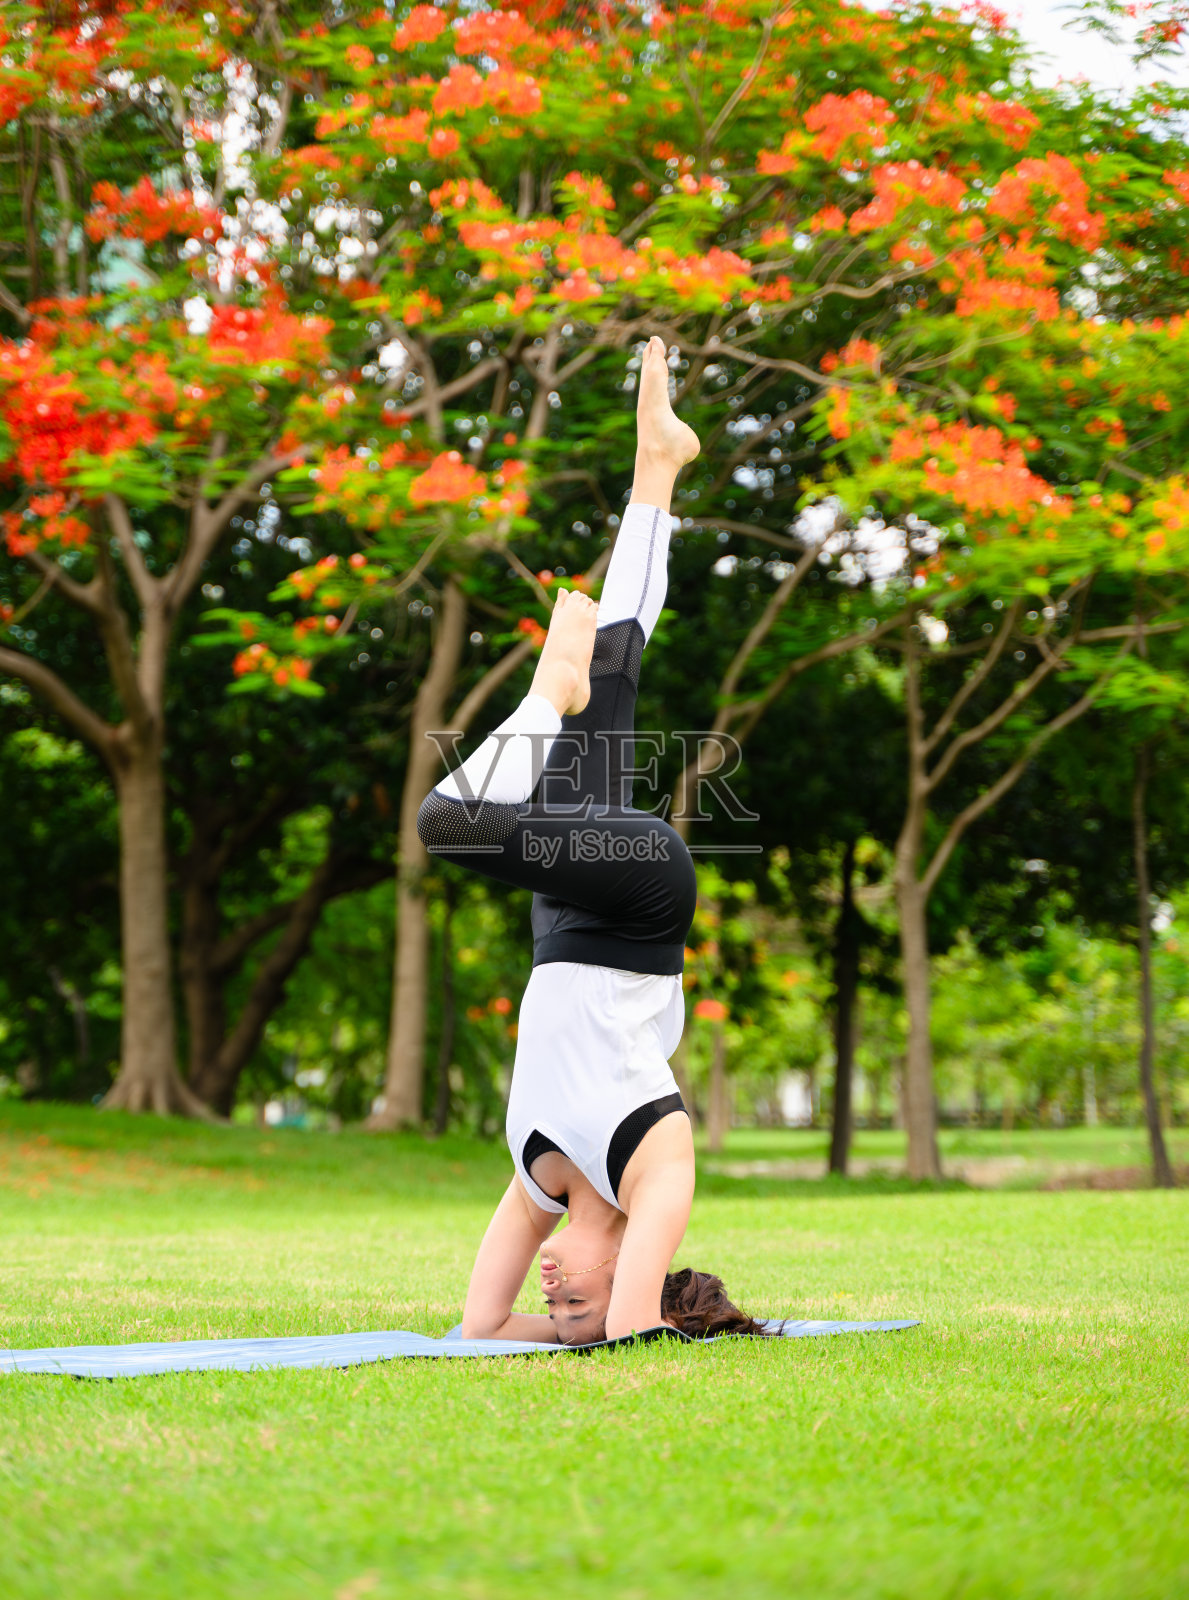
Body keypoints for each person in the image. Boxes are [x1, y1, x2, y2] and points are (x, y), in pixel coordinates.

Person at [418, 336, 769, 1346]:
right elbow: (625, 1338)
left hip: (564, 923)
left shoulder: (535, 1179)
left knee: (609, 685)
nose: (550, 1287)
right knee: (450, 821)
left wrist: (547, 1329)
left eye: (553, 1297)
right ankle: (544, 690)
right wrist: (599, 1327)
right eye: (572, 1291)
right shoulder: (657, 1169)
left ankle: (657, 466)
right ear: (631, 1269)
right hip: (646, 900)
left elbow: (477, 1331)